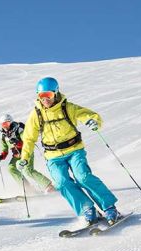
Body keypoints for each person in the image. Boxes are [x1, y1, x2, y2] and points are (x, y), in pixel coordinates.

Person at [19, 77, 120, 232]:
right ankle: (87, 210)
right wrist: (24, 158)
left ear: (56, 93)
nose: (45, 99)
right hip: (53, 156)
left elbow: (88, 114)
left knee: (83, 177)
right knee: (62, 183)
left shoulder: (68, 107)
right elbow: (29, 138)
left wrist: (93, 121)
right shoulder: (36, 114)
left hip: (74, 150)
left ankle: (109, 208)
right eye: (41, 96)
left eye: (49, 95)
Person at [0, 113, 55, 193]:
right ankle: (28, 188)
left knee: (28, 170)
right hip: (17, 155)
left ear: (11, 122)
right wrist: (1, 156)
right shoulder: (3, 135)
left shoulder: (19, 129)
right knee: (11, 168)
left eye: (6, 123)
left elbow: (27, 141)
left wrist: (17, 142)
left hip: (26, 152)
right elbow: (5, 149)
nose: (5, 126)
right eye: (3, 124)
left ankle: (48, 185)